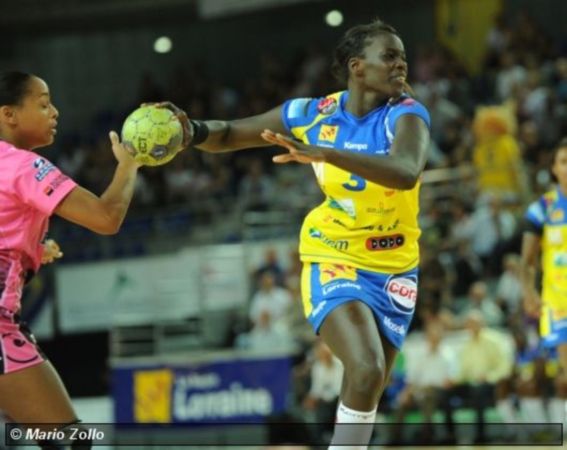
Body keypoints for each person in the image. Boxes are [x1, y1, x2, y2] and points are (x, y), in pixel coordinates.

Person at [173, 18, 431, 449]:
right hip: (334, 253)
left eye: (403, 57)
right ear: (357, 67)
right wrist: (191, 131)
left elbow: (405, 172)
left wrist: (327, 152)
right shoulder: (311, 114)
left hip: (396, 264)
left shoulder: (406, 114)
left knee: (371, 384)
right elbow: (233, 133)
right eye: (389, 56)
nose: (400, 65)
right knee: (365, 369)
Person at [0, 71, 160, 448]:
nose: (55, 111)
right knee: (71, 441)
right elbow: (106, 218)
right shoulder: (23, 166)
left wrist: (34, 250)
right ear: (8, 114)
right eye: (42, 104)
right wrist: (129, 165)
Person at [521, 137, 567, 430]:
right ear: (553, 168)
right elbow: (527, 260)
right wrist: (528, 292)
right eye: (564, 161)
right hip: (559, 302)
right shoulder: (543, 208)